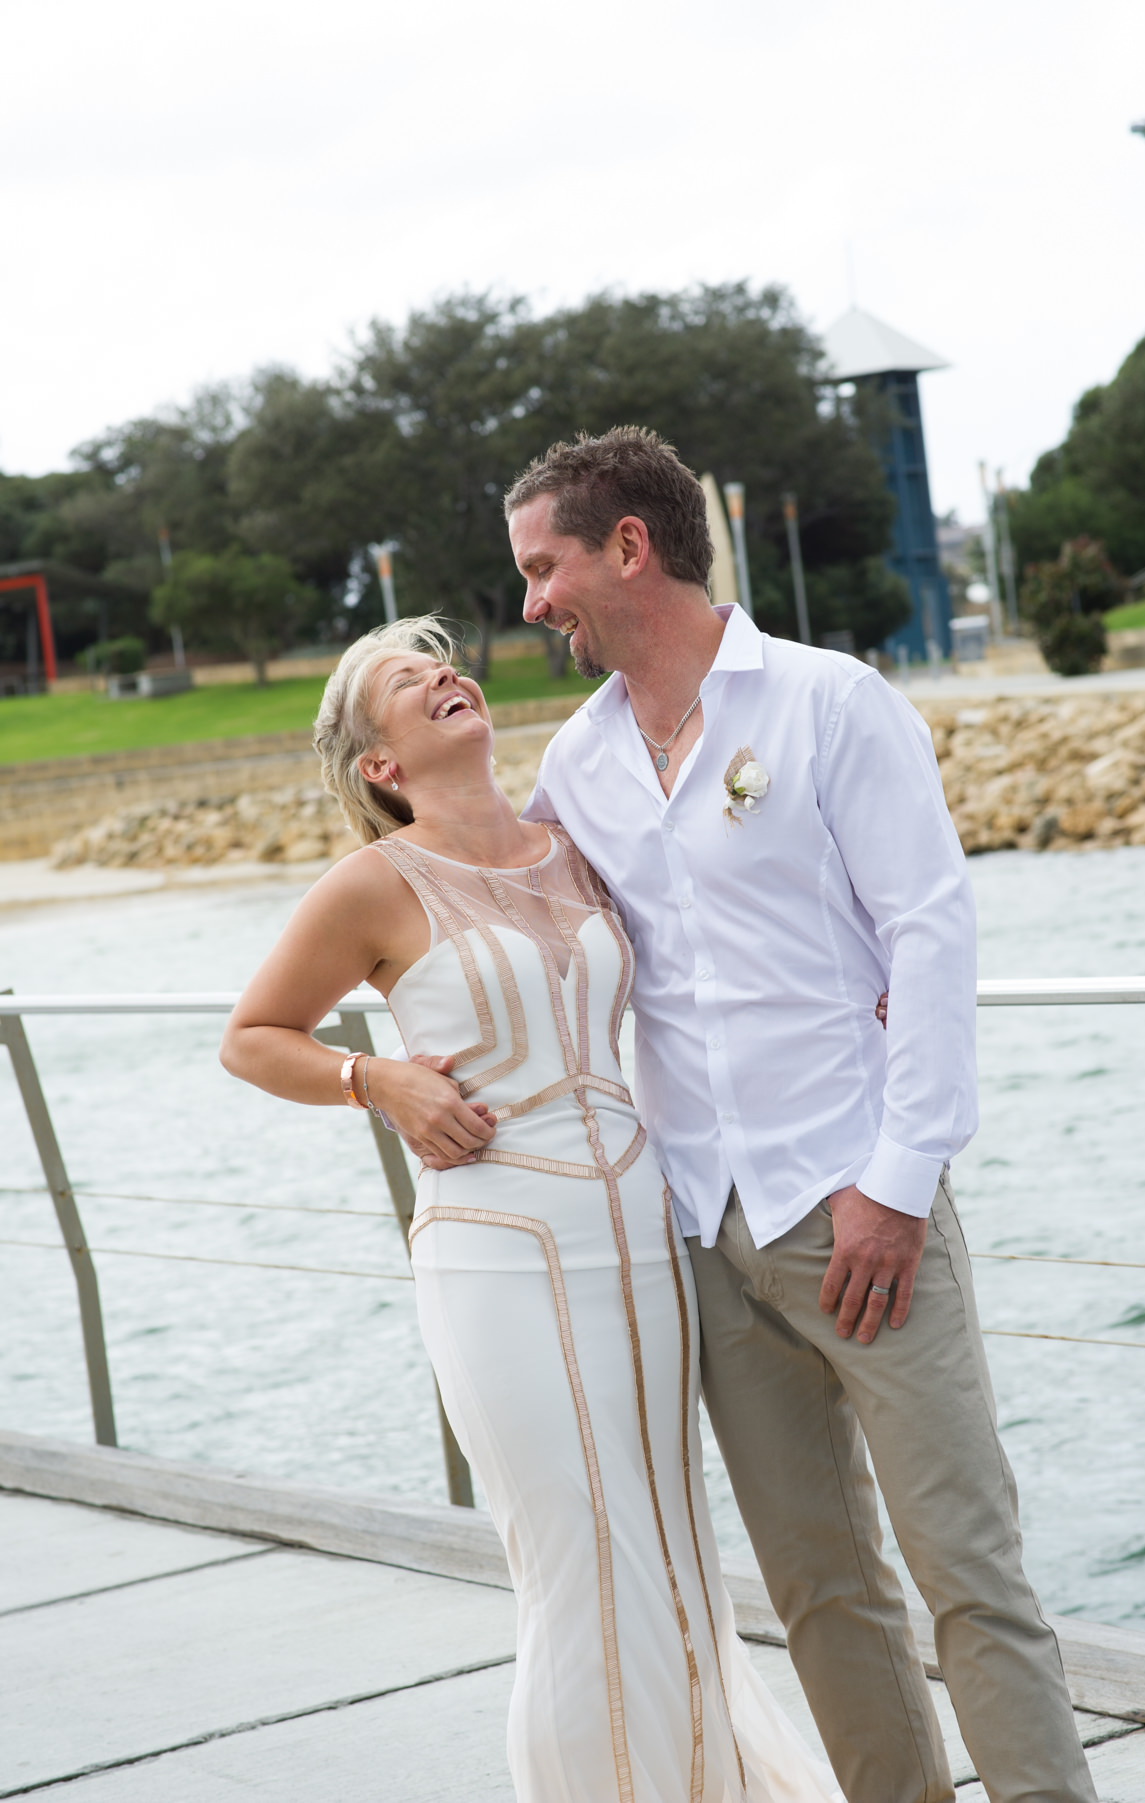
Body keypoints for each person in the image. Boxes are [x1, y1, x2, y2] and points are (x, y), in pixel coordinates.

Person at [496, 427, 1099, 1803]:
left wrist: (898, 1180)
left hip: (859, 1208)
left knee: (969, 1569)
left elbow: (931, 934)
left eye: (546, 566)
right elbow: (508, 918)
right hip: (704, 1234)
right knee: (822, 1588)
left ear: (629, 547)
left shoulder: (832, 702)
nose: (533, 601)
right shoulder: (578, 764)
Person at [220, 615, 840, 1802]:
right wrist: (375, 1079)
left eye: (446, 662)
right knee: (573, 1560)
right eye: (411, 681)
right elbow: (252, 1040)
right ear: (381, 769)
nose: (447, 675)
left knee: (667, 1542)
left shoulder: (576, 847)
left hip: (642, 1237)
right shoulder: (371, 884)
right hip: (496, 1248)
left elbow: (715, 957)